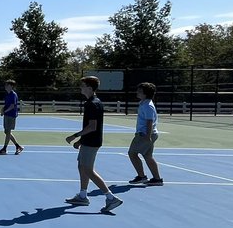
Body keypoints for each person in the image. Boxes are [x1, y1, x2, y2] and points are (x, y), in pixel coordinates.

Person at [64, 75, 123, 212]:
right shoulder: (92, 102)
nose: (80, 88)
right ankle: (82, 196)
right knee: (81, 166)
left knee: (88, 169)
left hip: (92, 142)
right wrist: (80, 141)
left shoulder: (93, 104)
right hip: (88, 141)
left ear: (90, 88)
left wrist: (74, 136)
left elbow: (92, 127)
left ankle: (111, 198)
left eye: (83, 86)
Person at [127, 82, 163, 186]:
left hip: (145, 134)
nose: (137, 92)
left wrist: (147, 136)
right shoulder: (144, 103)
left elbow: (149, 121)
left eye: (140, 91)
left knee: (132, 153)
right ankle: (157, 179)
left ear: (145, 93)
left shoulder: (148, 106)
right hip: (148, 134)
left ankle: (142, 176)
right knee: (148, 156)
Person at [0, 79, 24, 155]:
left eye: (7, 85)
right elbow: (7, 105)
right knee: (6, 132)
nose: (5, 86)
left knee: (8, 132)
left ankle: (4, 149)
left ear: (11, 86)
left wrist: (5, 111)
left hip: (11, 115)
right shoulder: (7, 95)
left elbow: (12, 106)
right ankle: (18, 146)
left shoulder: (13, 95)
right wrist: (3, 109)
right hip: (7, 115)